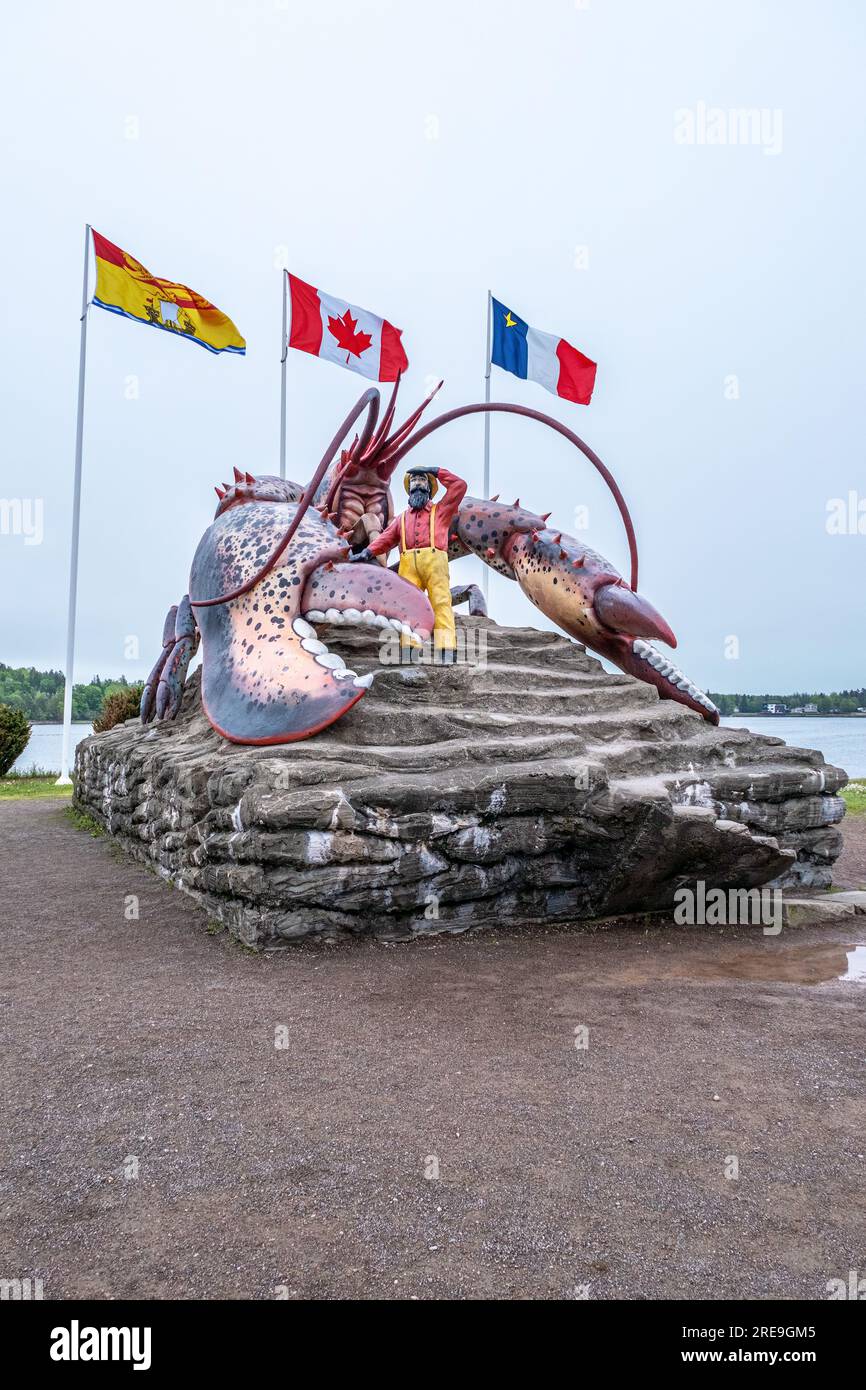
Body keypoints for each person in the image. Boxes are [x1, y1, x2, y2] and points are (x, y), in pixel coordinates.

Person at [348, 465, 467, 657]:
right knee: (409, 606)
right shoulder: (401, 519)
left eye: (422, 481)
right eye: (413, 481)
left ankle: (446, 648)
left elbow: (459, 486)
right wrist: (367, 553)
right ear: (409, 489)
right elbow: (385, 539)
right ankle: (410, 646)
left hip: (435, 562)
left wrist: (436, 471)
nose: (417, 485)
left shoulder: (441, 510)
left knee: (441, 601)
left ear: (429, 488)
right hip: (408, 564)